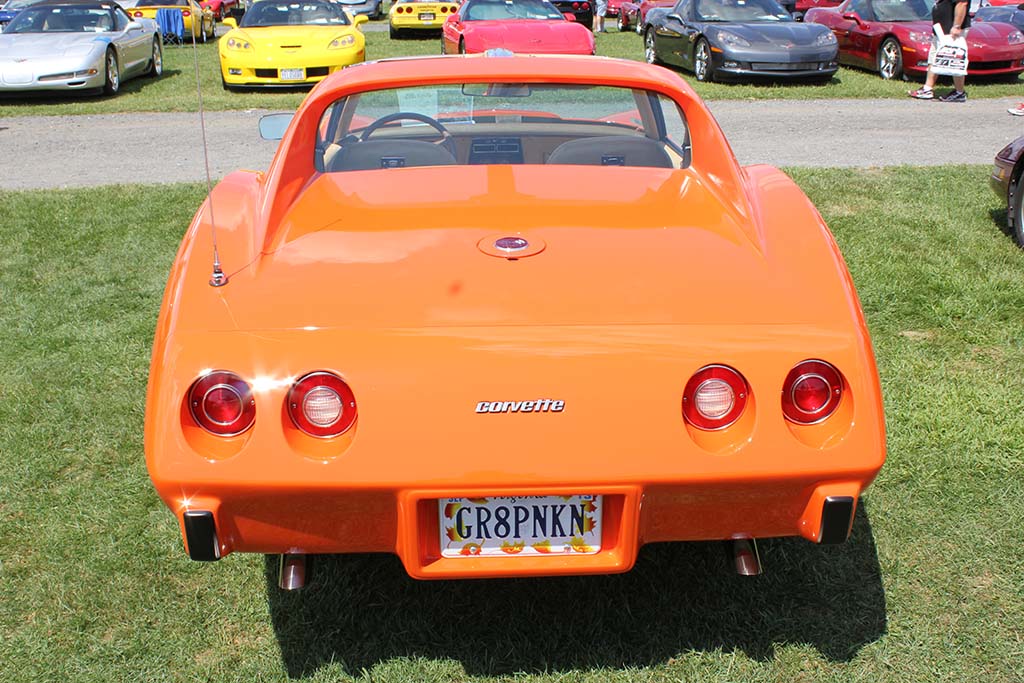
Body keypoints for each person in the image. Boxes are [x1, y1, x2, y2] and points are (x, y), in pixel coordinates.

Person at [909, 0, 971, 102]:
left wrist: (956, 26)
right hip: (940, 29)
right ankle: (927, 89)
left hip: (951, 29)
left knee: (954, 59)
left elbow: (962, 3)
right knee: (934, 57)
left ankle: (959, 92)